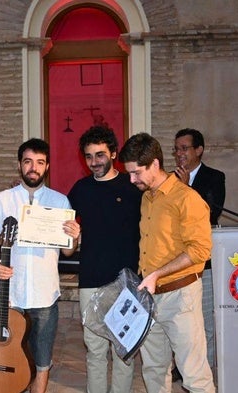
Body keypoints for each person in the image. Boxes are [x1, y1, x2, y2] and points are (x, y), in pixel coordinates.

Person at [118, 133, 215, 393]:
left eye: (136, 173)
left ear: (155, 164)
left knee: (194, 375)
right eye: (129, 174)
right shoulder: (147, 198)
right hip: (150, 297)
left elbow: (200, 250)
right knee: (154, 370)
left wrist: (157, 274)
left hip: (180, 296)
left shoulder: (187, 199)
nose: (132, 179)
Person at [0, 138, 81, 393]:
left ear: (47, 167)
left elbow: (68, 250)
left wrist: (75, 234)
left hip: (44, 292)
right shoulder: (2, 200)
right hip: (9, 293)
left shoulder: (60, 202)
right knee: (5, 354)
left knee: (42, 358)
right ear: (20, 165)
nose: (33, 168)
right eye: (28, 162)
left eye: (39, 162)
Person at [67, 126, 142, 393]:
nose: (94, 162)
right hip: (90, 280)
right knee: (95, 350)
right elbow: (65, 238)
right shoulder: (79, 190)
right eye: (88, 156)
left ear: (113, 153)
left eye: (100, 154)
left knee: (124, 351)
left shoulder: (133, 187)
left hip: (127, 282)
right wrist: (72, 236)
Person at [173, 128, 225, 373]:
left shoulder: (215, 177)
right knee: (179, 320)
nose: (179, 154)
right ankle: (179, 367)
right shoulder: (169, 179)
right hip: (176, 260)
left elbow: (211, 214)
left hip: (204, 262)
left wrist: (186, 189)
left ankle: (203, 367)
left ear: (198, 150)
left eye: (184, 148)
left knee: (204, 318)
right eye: (176, 149)